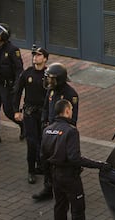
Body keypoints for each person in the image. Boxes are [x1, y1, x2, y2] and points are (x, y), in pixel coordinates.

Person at [41, 99, 109, 220]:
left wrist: (48, 177)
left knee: (60, 208)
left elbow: (42, 155)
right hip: (70, 177)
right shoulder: (71, 131)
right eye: (70, 109)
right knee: (78, 212)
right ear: (66, 111)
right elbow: (74, 158)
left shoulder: (47, 129)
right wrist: (99, 165)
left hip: (55, 174)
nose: (72, 111)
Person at [32, 62, 79, 201]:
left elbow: (73, 118)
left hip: (62, 135)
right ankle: (48, 187)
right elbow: (46, 107)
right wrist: (43, 121)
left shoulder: (71, 95)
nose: (49, 81)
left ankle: (65, 188)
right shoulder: (51, 91)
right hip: (49, 131)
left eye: (52, 79)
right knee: (45, 159)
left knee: (62, 161)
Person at [13, 47, 49, 184]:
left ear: (45, 58)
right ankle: (31, 170)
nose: (35, 57)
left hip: (43, 114)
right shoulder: (27, 73)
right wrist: (16, 110)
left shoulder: (48, 74)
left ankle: (41, 166)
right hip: (29, 113)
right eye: (34, 55)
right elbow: (17, 92)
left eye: (39, 55)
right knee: (32, 142)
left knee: (43, 142)